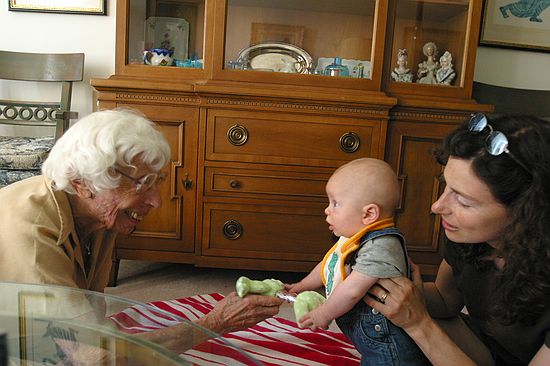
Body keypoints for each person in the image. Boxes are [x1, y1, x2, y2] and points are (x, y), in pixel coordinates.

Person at [0, 109, 282, 351]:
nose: (157, 200)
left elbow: (91, 317)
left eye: (157, 181)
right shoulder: (32, 229)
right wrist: (211, 325)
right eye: (142, 183)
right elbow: (87, 354)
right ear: (82, 183)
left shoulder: (99, 214)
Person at [366, 113, 550, 365]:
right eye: (446, 185)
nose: (437, 206)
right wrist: (391, 283)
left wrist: (419, 324)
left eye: (463, 201)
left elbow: (422, 321)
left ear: (526, 212)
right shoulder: (470, 239)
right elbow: (444, 299)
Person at [286, 158, 429, 365]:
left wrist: (325, 313)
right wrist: (301, 285)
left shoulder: (382, 246)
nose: (327, 210)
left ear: (369, 214)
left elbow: (353, 289)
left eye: (335, 203)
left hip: (390, 348)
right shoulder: (355, 236)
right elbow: (329, 265)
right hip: (373, 341)